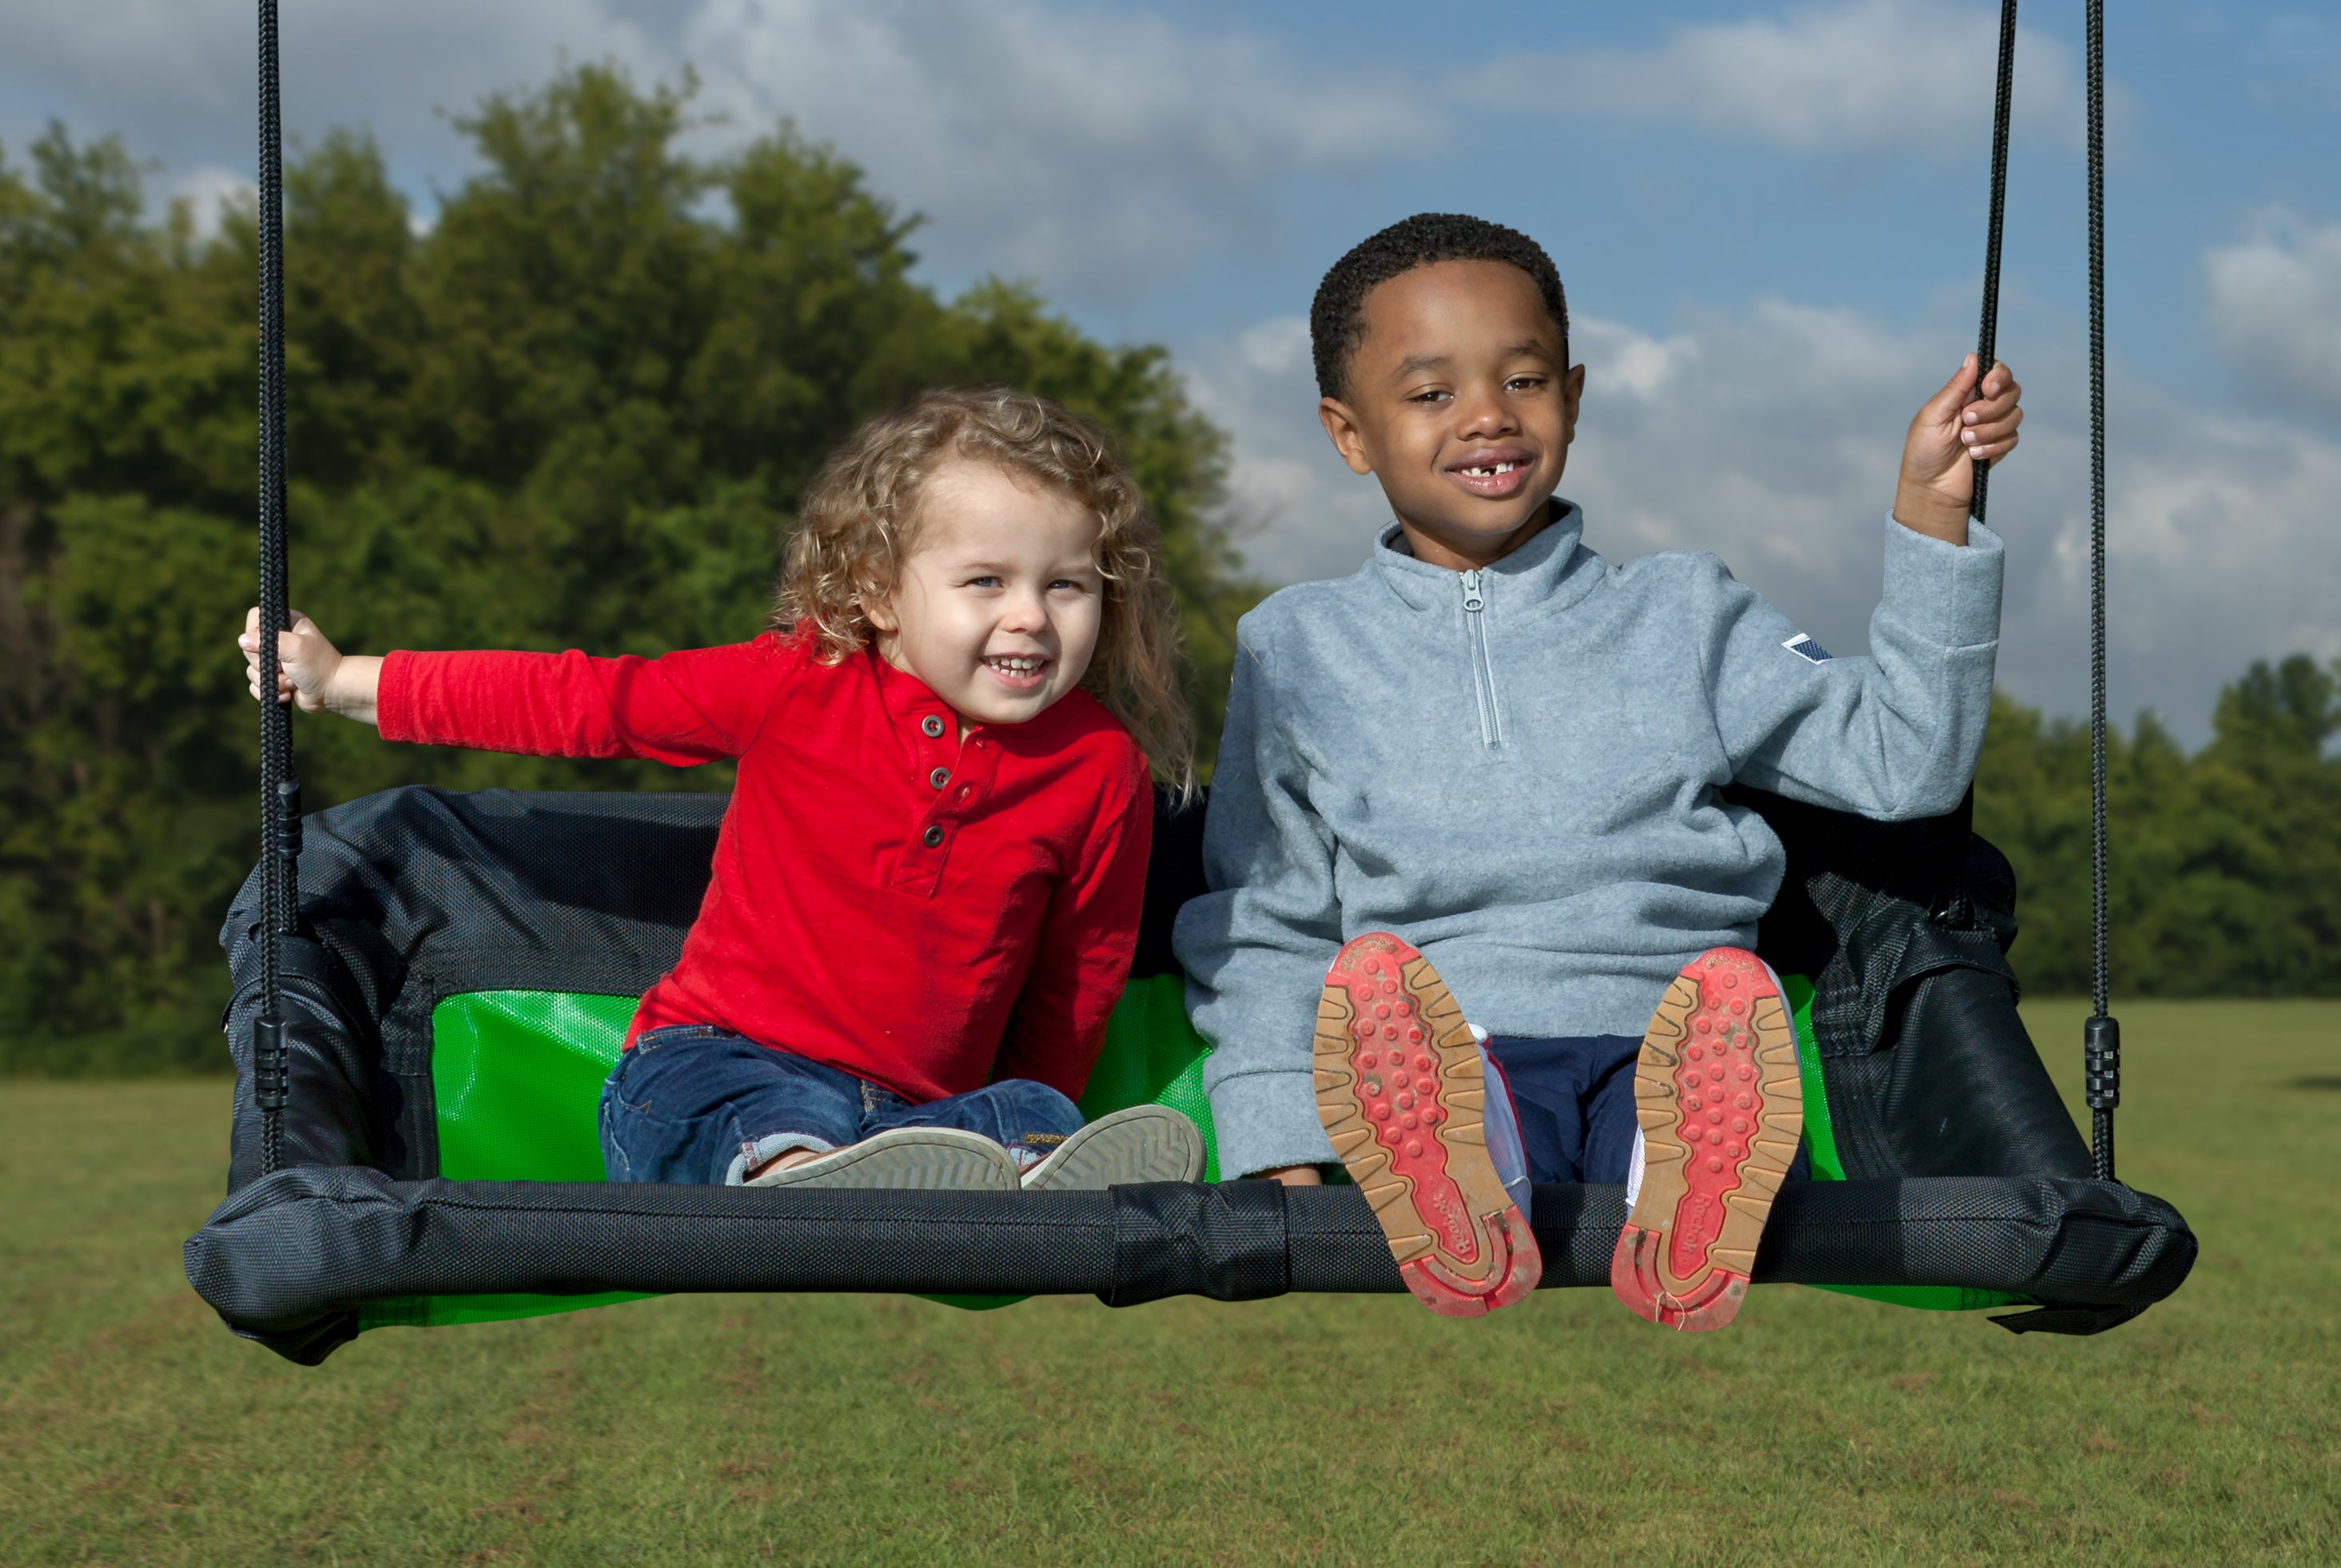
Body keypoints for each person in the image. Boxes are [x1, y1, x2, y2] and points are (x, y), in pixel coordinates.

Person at [1174, 213, 2023, 1327]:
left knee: (1685, 1086)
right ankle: (1461, 1191)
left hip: (1676, 1032)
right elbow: (1267, 914)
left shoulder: (1685, 611)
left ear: (1571, 394)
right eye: (1430, 393)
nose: (1488, 413)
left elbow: (1902, 759)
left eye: (1523, 378)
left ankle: (1686, 1206)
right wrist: (1276, 1128)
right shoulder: (1297, 647)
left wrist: (1930, 518)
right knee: (1451, 1087)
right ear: (1349, 432)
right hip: (1448, 1036)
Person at [242, 387, 1204, 1193]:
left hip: (918, 1118)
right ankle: (790, 1178)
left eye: (1068, 585)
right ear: (877, 592)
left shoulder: (1099, 767)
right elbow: (588, 702)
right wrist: (344, 681)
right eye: (987, 581)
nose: (1030, 617)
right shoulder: (798, 681)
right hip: (717, 1062)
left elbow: (1077, 973)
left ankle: (1019, 1169)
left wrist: (1044, 1097)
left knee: (1033, 1106)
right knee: (739, 1108)